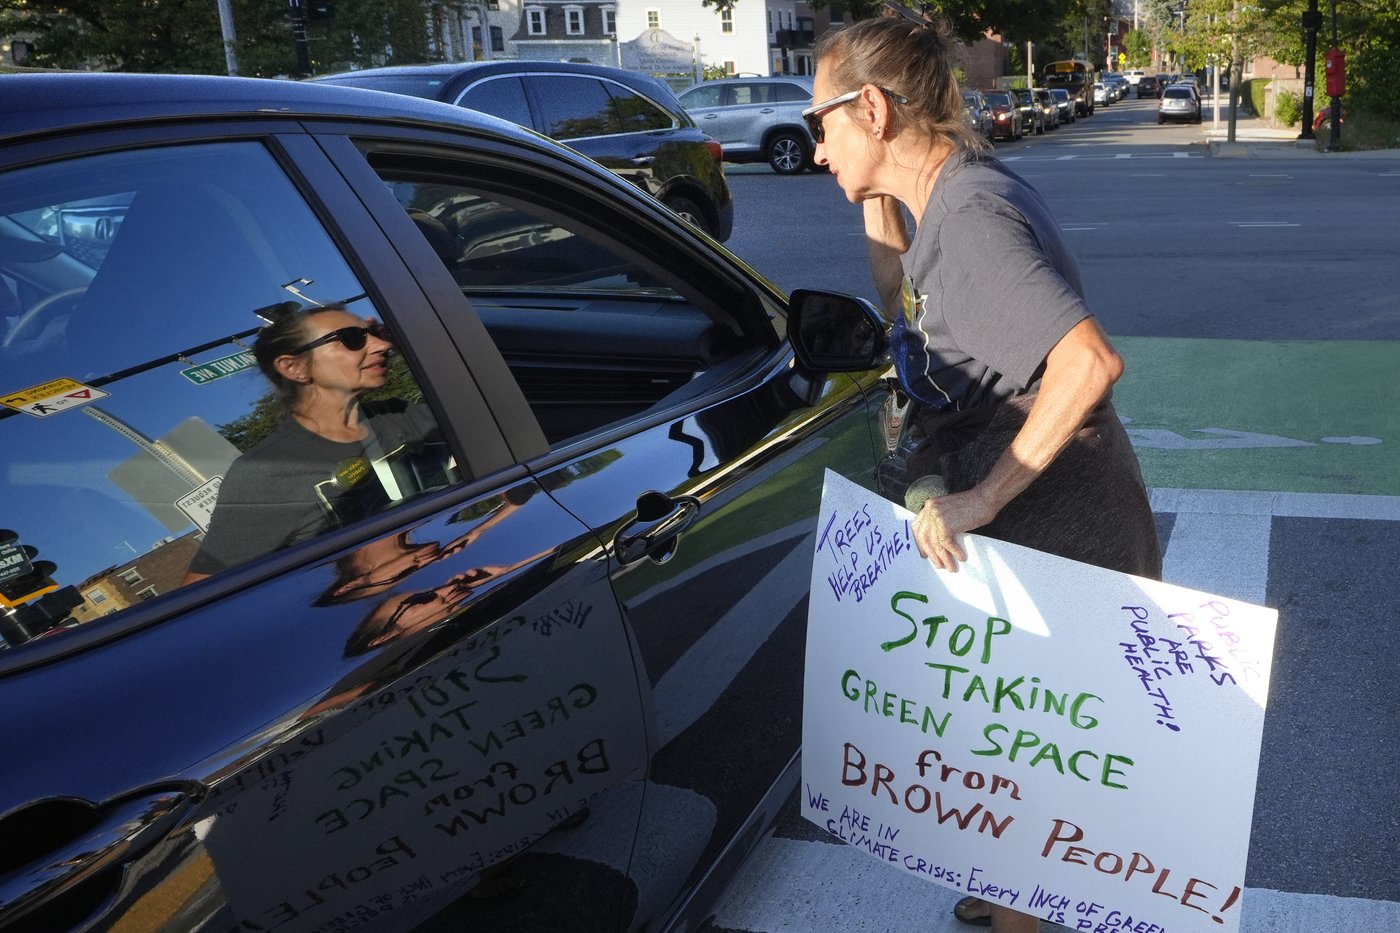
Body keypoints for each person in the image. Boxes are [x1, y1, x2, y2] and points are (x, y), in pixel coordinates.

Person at [807, 14, 1162, 932]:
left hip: (1060, 529)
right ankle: (1016, 892)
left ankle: (1026, 907)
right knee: (1013, 754)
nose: (813, 150)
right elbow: (907, 302)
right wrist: (868, 185)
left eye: (823, 125)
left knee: (1036, 758)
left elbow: (1087, 364)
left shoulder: (969, 218)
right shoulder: (949, 197)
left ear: (873, 108)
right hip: (1047, 523)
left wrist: (982, 495)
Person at [184, 302, 450, 583]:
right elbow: (199, 599)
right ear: (295, 367)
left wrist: (409, 341)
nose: (381, 345)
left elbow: (486, 394)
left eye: (374, 333)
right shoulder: (267, 471)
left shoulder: (399, 415)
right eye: (352, 338)